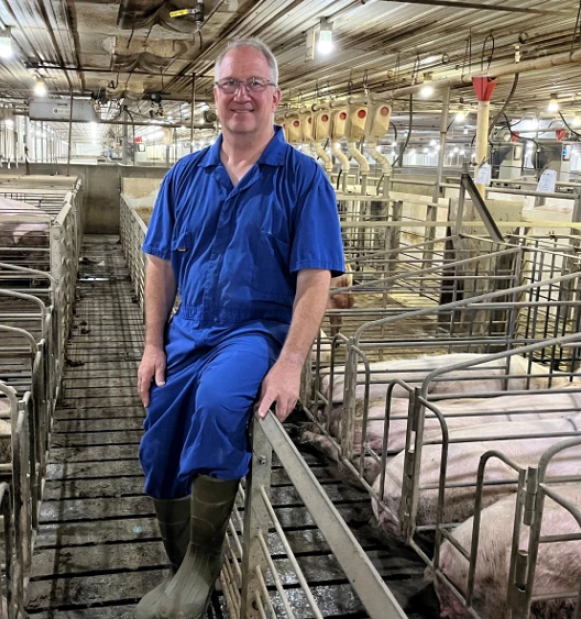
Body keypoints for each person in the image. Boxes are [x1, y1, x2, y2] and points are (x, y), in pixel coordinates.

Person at [135, 38, 345, 619]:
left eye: (255, 84)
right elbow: (160, 263)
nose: (242, 96)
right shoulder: (185, 175)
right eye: (231, 84)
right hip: (190, 327)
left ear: (276, 97)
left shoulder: (303, 178)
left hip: (254, 331)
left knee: (220, 403)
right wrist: (154, 343)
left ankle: (203, 563)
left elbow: (315, 279)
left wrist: (291, 363)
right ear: (215, 96)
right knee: (160, 436)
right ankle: (180, 566)